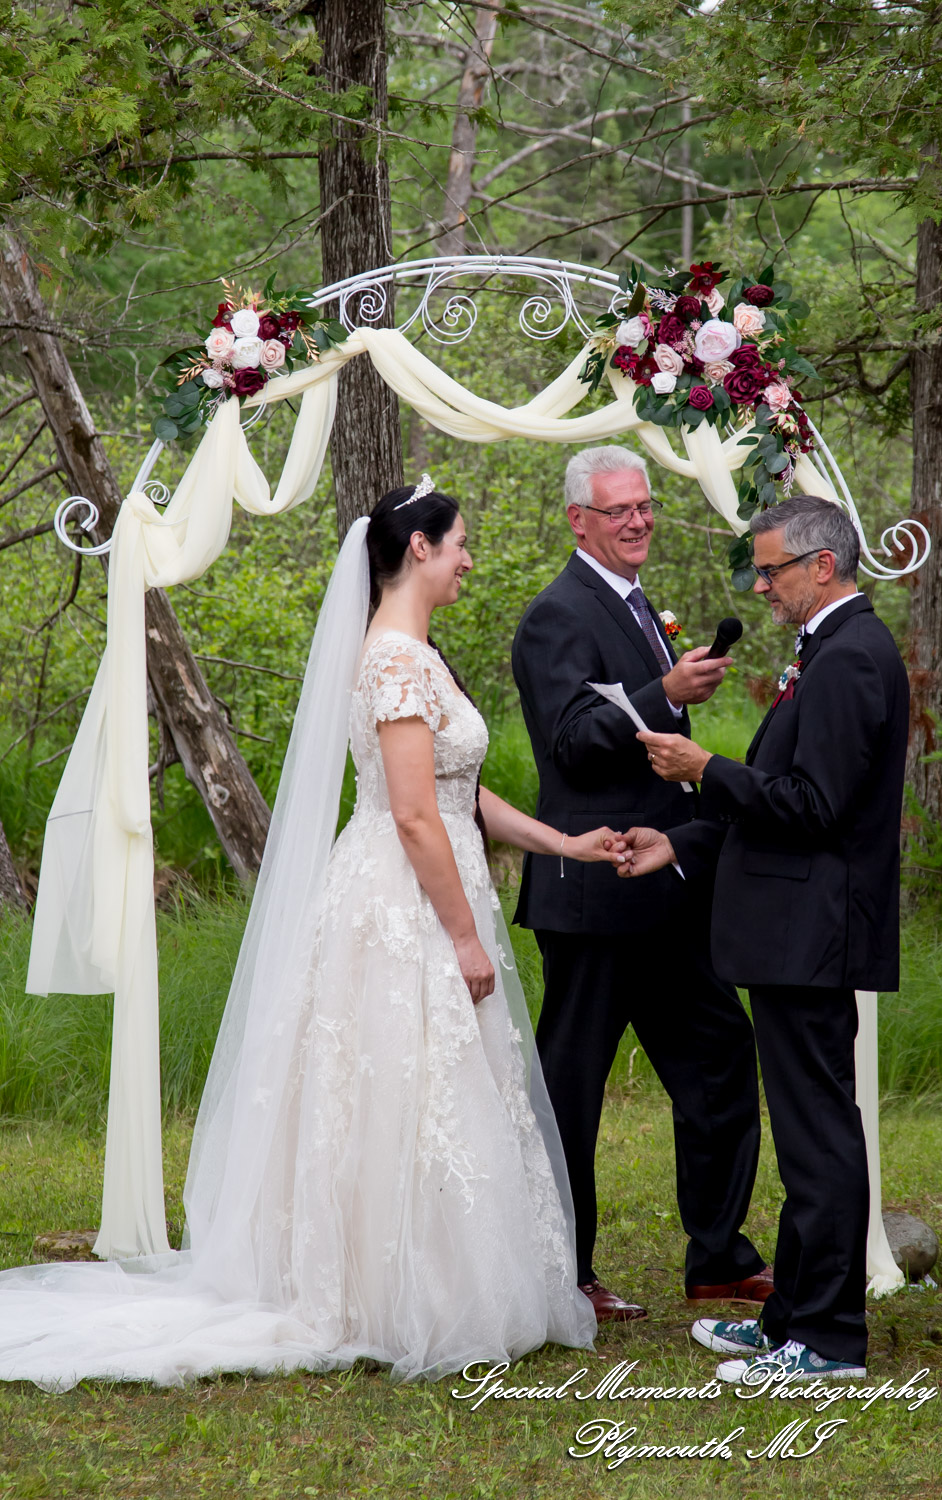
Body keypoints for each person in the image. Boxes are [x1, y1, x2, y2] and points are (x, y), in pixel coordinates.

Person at [0, 477, 627, 1389]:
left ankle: (432, 1274)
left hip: (424, 877)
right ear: (418, 549)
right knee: (398, 1081)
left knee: (428, 1087)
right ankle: (389, 1291)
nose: (466, 560)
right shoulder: (398, 662)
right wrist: (462, 937)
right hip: (404, 899)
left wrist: (560, 841)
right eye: (458, 545)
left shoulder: (415, 654)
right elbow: (414, 817)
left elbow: (460, 792)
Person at [627, 493, 910, 1382]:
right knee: (803, 1130)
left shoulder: (853, 657)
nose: (761, 583)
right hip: (789, 931)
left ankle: (825, 1339)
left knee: (819, 1134)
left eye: (772, 568)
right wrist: (685, 833)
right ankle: (792, 1313)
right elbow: (783, 796)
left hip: (813, 932)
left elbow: (812, 807)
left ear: (822, 565)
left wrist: (706, 770)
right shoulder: (823, 652)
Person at [510, 445, 769, 1323]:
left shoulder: (633, 606)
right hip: (590, 892)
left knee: (721, 1056)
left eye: (646, 506)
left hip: (662, 887)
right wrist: (663, 691)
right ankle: (562, 1270)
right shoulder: (555, 613)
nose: (638, 520)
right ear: (580, 519)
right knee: (571, 1088)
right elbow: (575, 741)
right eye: (618, 509)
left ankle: (720, 1259)